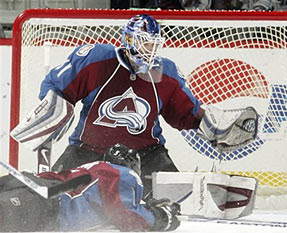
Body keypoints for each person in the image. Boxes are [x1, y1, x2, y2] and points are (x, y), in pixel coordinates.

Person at [11, 14, 258, 200]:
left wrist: (212, 128)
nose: (149, 50)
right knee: (55, 198)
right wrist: (53, 107)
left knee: (170, 204)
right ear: (128, 39)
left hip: (146, 155)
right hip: (88, 151)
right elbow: (57, 85)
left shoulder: (164, 72)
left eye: (153, 44)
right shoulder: (97, 59)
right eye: (144, 43)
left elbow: (185, 113)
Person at [0, 143, 181, 232]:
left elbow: (111, 203)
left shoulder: (95, 169)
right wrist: (161, 217)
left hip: (28, 183)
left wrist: (146, 205)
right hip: (46, 203)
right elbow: (126, 217)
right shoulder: (121, 173)